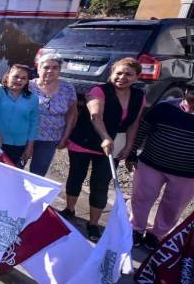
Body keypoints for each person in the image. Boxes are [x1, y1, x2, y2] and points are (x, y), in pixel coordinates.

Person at [64, 58, 144, 241]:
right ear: (111, 74)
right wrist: (105, 137)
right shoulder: (98, 90)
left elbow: (134, 123)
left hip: (114, 143)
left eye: (128, 74)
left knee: (100, 183)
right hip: (85, 140)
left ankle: (93, 223)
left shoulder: (139, 96)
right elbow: (95, 116)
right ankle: (69, 209)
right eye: (119, 73)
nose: (122, 77)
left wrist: (130, 145)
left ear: (136, 77)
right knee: (76, 175)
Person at [126, 82, 194, 250]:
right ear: (186, 91)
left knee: (173, 207)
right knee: (141, 199)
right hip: (151, 164)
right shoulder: (165, 107)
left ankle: (155, 235)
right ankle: (136, 229)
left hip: (187, 174)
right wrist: (132, 153)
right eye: (193, 91)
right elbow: (142, 130)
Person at [0, 64, 39, 169]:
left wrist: (29, 146)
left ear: (27, 81)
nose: (19, 80)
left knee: (9, 179)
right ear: (7, 76)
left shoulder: (33, 98)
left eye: (23, 78)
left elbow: (34, 123)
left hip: (17, 146)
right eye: (16, 76)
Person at [29, 57, 77, 176]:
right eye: (46, 67)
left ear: (60, 70)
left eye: (55, 68)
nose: (50, 71)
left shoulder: (68, 88)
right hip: (24, 135)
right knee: (14, 168)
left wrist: (65, 137)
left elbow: (72, 114)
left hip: (50, 138)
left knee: (38, 173)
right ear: (38, 69)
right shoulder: (28, 85)